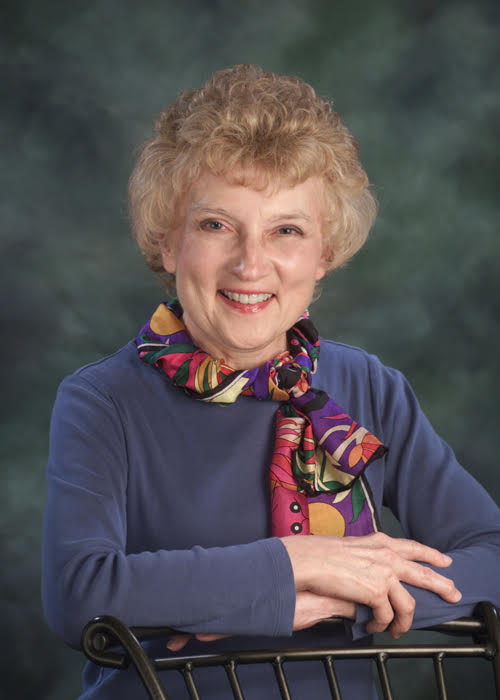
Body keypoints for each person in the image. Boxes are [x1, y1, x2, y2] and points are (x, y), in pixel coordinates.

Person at [42, 64, 500, 700]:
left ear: (323, 255)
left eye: (287, 230)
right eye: (216, 225)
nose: (251, 264)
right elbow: (79, 594)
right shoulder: (101, 401)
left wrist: (340, 595)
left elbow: (491, 555)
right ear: (168, 244)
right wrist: (294, 565)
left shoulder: (369, 386)